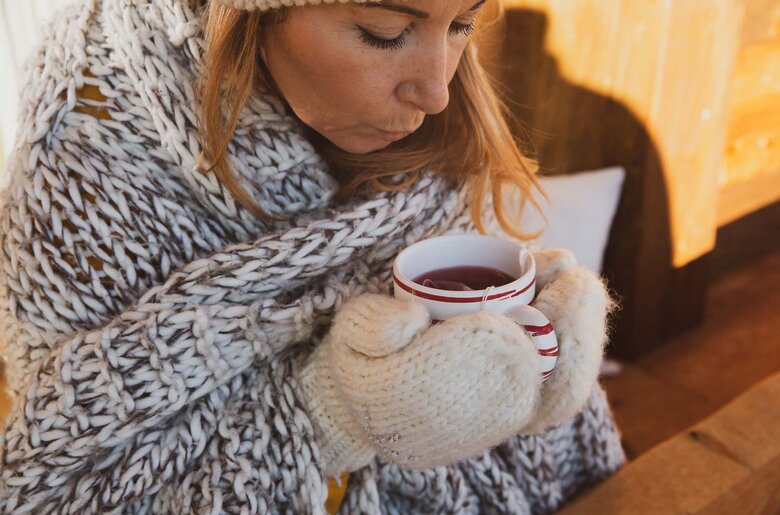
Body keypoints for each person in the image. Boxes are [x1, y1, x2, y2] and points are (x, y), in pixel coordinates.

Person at [0, 0, 625, 513]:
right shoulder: (83, 159)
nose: (437, 89)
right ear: (247, 14)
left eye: (463, 23)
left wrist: (533, 387)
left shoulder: (435, 111)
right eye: (384, 33)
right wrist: (328, 414)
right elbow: (64, 490)